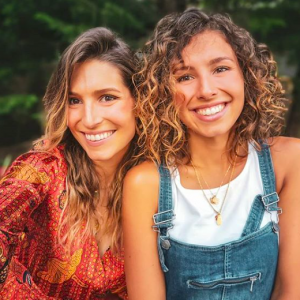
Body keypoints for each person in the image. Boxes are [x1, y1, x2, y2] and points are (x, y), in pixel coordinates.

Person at [122, 8, 300, 300]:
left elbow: (291, 291)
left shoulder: (290, 162)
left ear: (246, 74)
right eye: (185, 77)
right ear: (163, 92)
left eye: (220, 69)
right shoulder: (146, 184)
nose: (206, 90)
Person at [0, 27, 142, 299]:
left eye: (107, 97)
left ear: (138, 100)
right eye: (74, 100)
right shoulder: (43, 170)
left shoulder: (158, 184)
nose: (88, 119)